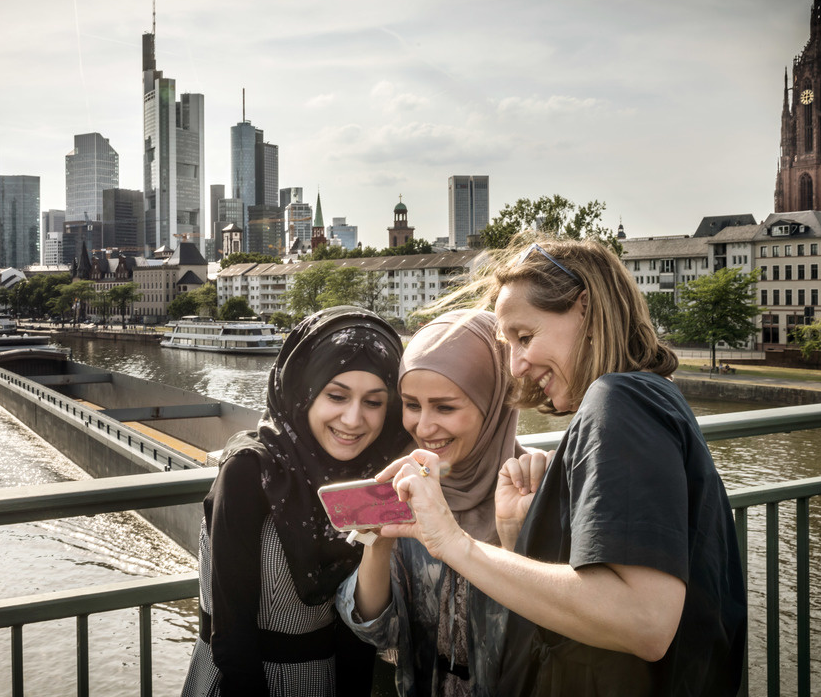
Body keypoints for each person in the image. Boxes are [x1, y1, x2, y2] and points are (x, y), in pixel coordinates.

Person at [376, 238, 747, 696]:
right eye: (507, 345)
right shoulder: (652, 396)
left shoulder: (620, 401)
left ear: (586, 309)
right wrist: (520, 533)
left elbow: (644, 621)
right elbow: (597, 593)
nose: (515, 366)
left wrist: (452, 542)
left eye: (526, 337)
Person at [181, 306, 413, 697]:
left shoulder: (378, 476)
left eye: (374, 402)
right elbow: (231, 630)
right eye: (337, 396)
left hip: (325, 680)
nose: (353, 419)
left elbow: (357, 625)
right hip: (242, 681)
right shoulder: (251, 471)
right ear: (301, 392)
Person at [336, 309, 548, 696]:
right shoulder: (408, 484)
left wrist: (518, 537)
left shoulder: (536, 487)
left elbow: (558, 636)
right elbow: (377, 630)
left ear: (495, 402)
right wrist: (378, 544)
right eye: (412, 406)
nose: (424, 428)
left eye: (445, 407)